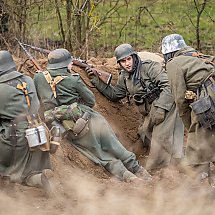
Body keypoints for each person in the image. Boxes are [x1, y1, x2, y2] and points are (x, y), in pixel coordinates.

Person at [33, 48, 151, 183]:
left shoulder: (38, 78)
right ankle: (139, 171)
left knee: (102, 156)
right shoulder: (74, 79)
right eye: (70, 62)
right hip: (88, 118)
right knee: (114, 146)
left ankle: (127, 176)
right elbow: (90, 100)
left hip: (69, 127)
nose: (71, 64)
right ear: (65, 64)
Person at [86, 43, 184, 172]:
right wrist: (97, 81)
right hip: (149, 110)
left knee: (161, 139)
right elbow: (115, 95)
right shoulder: (124, 77)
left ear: (134, 57)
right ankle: (172, 160)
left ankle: (164, 169)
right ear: (119, 63)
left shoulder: (150, 67)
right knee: (144, 134)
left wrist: (161, 108)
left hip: (166, 105)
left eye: (129, 59)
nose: (127, 63)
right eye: (123, 61)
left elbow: (168, 86)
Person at [161, 34, 215, 180]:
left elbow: (180, 100)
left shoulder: (174, 63)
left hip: (209, 95)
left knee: (198, 135)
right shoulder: (198, 56)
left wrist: (188, 124)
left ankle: (200, 179)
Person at [0, 50, 52, 195]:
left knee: (11, 173)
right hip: (37, 132)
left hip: (14, 137)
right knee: (26, 173)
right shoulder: (28, 80)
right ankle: (38, 178)